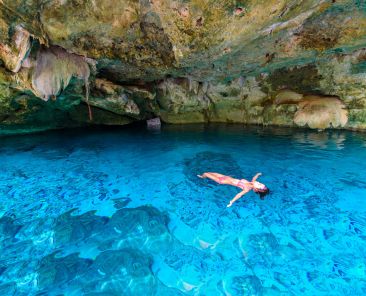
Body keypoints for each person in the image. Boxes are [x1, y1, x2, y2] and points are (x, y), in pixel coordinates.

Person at [197, 172, 269, 207]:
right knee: (209, 172)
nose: (259, 182)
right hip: (225, 177)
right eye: (260, 183)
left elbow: (239, 195)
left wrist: (231, 202)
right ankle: (203, 176)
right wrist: (258, 174)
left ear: (256, 189)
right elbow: (254, 179)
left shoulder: (247, 189)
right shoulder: (252, 183)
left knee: (206, 173)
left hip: (221, 180)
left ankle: (202, 177)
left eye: (259, 184)